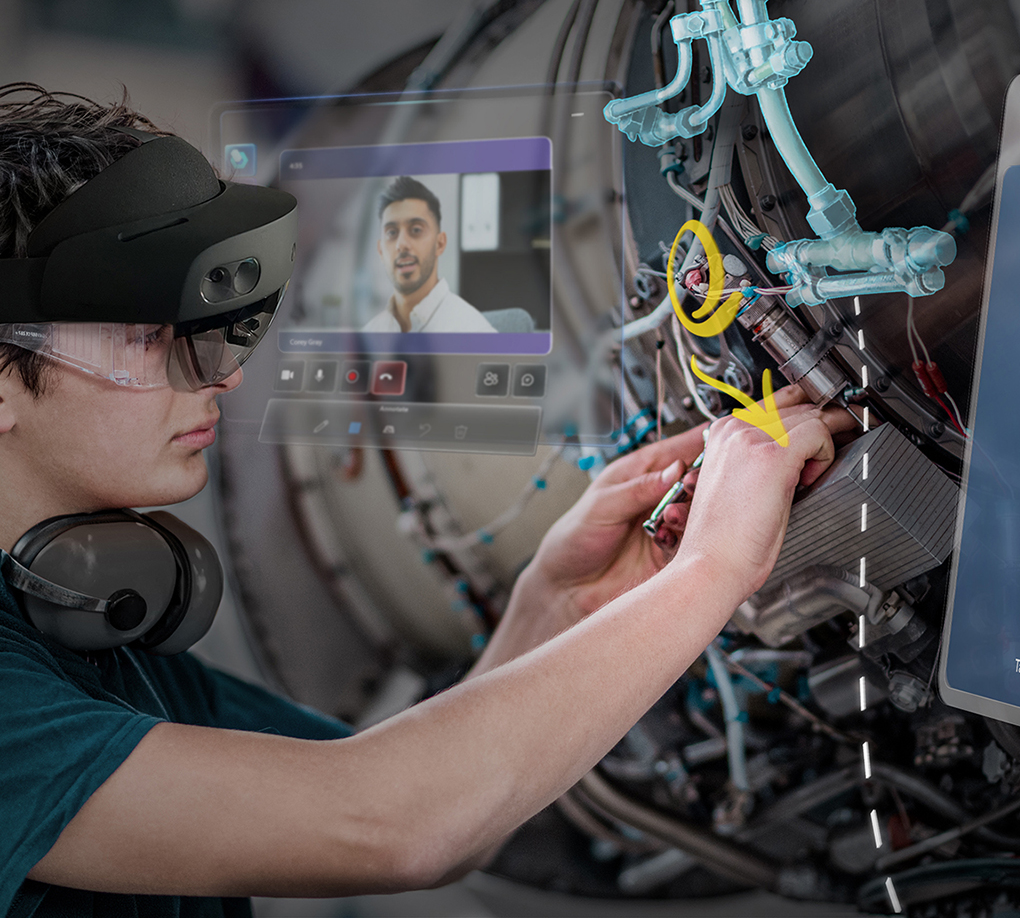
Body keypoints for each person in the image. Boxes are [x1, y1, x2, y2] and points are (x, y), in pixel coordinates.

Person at [0, 84, 857, 917]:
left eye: (212, 332)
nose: (225, 373)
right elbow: (388, 826)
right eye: (147, 339)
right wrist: (713, 568)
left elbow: (430, 796)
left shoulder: (98, 650)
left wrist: (554, 603)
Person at [361, 176, 498, 333]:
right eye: (392, 232)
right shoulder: (369, 336)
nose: (401, 244)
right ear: (380, 251)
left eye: (416, 230)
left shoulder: (474, 331)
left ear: (439, 244)